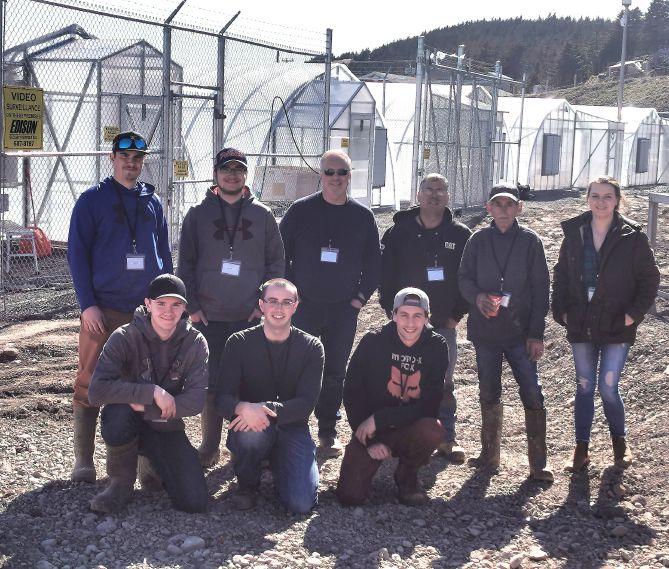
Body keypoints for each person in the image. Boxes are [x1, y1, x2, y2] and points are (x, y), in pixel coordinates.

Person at [67, 131, 172, 483]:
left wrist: (165, 302)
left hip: (145, 313)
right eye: (124, 156)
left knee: (146, 381)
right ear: (112, 158)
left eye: (138, 158)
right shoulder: (92, 201)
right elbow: (77, 254)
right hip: (104, 310)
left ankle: (146, 463)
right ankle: (84, 460)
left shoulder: (152, 202)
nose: (131, 163)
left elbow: (164, 254)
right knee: (90, 379)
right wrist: (87, 305)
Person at [178, 147, 285, 468]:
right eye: (226, 169)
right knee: (211, 383)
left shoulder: (263, 215)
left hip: (248, 315)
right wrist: (192, 306)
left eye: (239, 169)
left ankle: (244, 446)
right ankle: (209, 446)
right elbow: (186, 263)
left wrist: (262, 305)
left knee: (249, 381)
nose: (232, 175)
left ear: (246, 175)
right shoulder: (197, 214)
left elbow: (276, 263)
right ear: (216, 174)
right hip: (208, 316)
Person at [552, 176, 660, 472]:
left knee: (608, 387)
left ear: (617, 200)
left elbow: (650, 278)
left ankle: (620, 444)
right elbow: (561, 274)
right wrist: (561, 311)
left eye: (607, 196)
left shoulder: (632, 236)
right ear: (587, 199)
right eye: (595, 196)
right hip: (581, 323)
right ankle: (581, 449)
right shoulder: (575, 233)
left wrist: (633, 315)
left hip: (616, 324)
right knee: (584, 386)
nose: (601, 202)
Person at [279, 149, 381, 457]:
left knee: (335, 370)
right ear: (320, 175)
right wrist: (289, 296)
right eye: (330, 172)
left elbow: (374, 263)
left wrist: (360, 298)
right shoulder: (300, 211)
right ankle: (294, 427)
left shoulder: (362, 216)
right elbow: (281, 255)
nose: (336, 178)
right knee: (297, 366)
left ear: (350, 176)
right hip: (304, 306)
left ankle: (327, 429)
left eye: (342, 172)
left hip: (342, 308)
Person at [87, 274, 209, 513]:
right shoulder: (124, 336)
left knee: (193, 502)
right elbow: (96, 391)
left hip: (165, 424)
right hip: (127, 418)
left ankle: (151, 463)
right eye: (161, 303)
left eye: (176, 304)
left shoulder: (195, 342)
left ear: (185, 308)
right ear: (148, 304)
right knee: (117, 415)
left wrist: (148, 406)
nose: (168, 311)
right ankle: (120, 482)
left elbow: (196, 401)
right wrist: (151, 392)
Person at [458, 182, 554, 482]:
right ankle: (490, 455)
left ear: (519, 208)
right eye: (498, 204)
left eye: (509, 204)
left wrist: (536, 333)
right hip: (486, 332)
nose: (503, 209)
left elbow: (541, 289)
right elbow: (463, 278)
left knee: (532, 391)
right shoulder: (477, 240)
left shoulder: (530, 241)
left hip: (520, 334)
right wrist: (477, 297)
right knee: (488, 390)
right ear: (488, 208)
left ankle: (538, 462)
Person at [380, 173, 472, 463]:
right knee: (401, 380)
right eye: (428, 189)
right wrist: (391, 311)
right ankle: (402, 436)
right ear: (418, 195)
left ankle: (446, 438)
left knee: (443, 382)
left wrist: (456, 314)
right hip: (404, 324)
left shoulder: (460, 235)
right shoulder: (398, 233)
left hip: (443, 323)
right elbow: (385, 275)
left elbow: (468, 277)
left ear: (448, 196)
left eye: (440, 190)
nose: (434, 194)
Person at [216, 278, 324, 513]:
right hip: (251, 425)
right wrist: (242, 407)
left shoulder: (312, 347)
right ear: (261, 305)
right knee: (250, 436)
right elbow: (222, 398)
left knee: (300, 504)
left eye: (286, 302)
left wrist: (265, 407)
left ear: (295, 306)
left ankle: (278, 461)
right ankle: (248, 485)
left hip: (293, 427)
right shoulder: (239, 343)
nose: (279, 308)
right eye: (272, 301)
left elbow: (306, 404)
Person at [336, 288, 447, 506]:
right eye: (404, 314)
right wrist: (369, 437)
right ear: (393, 315)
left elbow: (431, 403)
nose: (410, 323)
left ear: (427, 318)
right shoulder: (373, 342)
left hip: (408, 425)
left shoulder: (436, 346)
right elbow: (352, 392)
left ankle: (408, 473)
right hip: (371, 429)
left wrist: (381, 418)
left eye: (418, 315)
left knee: (432, 430)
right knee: (349, 497)